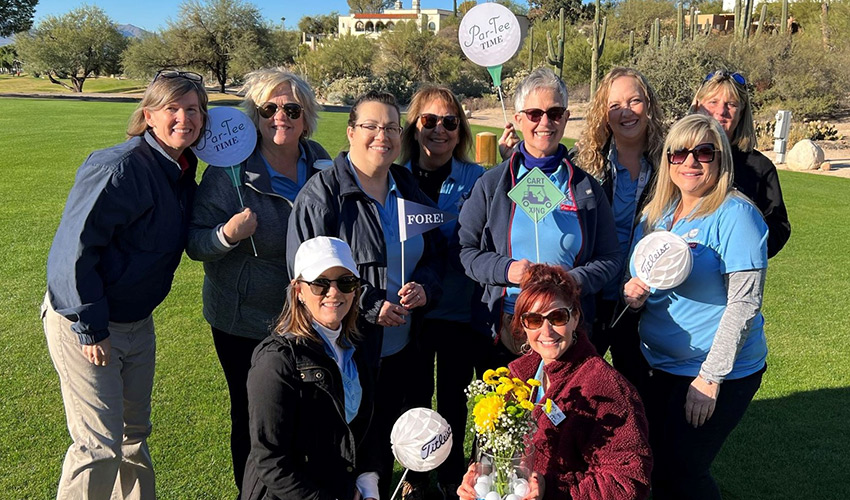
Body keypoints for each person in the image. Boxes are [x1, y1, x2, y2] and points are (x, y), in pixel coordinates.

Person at [42, 69, 208, 499]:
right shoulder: (119, 166)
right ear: (149, 115)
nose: (183, 118)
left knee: (134, 436)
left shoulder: (181, 169)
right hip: (90, 323)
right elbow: (72, 255)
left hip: (137, 321)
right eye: (172, 108)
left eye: (193, 110)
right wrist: (91, 327)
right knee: (99, 444)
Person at [287, 91, 443, 499]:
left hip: (407, 347)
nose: (383, 136)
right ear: (351, 132)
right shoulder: (322, 197)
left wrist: (425, 286)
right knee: (353, 447)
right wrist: (371, 305)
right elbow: (306, 281)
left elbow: (437, 254)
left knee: (401, 434)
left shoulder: (408, 186)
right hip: (350, 351)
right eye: (371, 126)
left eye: (391, 127)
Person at [185, 68, 330, 493]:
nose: (279, 116)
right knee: (255, 418)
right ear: (256, 115)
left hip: (310, 318)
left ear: (306, 117)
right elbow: (195, 242)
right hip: (244, 321)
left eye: (291, 108)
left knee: (309, 410)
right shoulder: (228, 171)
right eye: (269, 108)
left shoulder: (320, 160)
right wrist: (227, 235)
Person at [623, 114, 769, 499]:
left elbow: (744, 303)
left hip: (716, 371)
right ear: (667, 160)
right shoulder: (656, 216)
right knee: (655, 463)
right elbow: (647, 284)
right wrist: (635, 297)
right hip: (658, 365)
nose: (690, 162)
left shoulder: (736, 216)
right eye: (679, 153)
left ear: (720, 159)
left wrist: (709, 378)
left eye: (704, 152)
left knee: (685, 470)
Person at [457, 67, 621, 366]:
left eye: (555, 113)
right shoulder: (492, 184)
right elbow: (466, 251)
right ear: (518, 119)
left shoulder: (586, 189)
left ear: (566, 118)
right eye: (534, 114)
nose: (545, 122)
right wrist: (508, 271)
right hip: (507, 326)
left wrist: (573, 280)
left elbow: (610, 257)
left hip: (566, 326)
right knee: (507, 413)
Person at [457, 264, 652, 500]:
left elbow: (627, 483)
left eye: (557, 317)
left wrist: (552, 490)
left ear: (575, 317)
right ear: (522, 325)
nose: (546, 331)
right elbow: (496, 446)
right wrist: (479, 474)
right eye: (534, 320)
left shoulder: (607, 389)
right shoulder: (517, 376)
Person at [398, 85, 485, 499]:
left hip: (458, 310)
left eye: (449, 122)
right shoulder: (395, 176)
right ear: (414, 127)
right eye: (429, 121)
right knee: (413, 396)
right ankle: (414, 473)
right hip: (407, 313)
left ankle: (451, 473)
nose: (439, 130)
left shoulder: (478, 176)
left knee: (453, 398)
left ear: (460, 130)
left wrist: (513, 158)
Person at [242, 236, 379, 500]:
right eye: (320, 283)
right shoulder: (276, 361)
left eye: (346, 281)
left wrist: (369, 484)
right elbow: (271, 461)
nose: (334, 292)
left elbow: (364, 427)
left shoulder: (357, 346)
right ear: (298, 291)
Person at [571, 67, 666, 386]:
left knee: (640, 397)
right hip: (589, 299)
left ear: (649, 106)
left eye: (635, 100)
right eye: (615, 105)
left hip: (644, 303)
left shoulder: (671, 167)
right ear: (603, 113)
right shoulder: (581, 165)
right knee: (578, 392)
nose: (626, 111)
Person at [691, 69, 790, 258]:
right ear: (697, 106)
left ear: (741, 112)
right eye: (713, 102)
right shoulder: (676, 157)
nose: (721, 111)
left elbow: (779, 226)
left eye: (731, 104)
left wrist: (745, 251)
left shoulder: (760, 167)